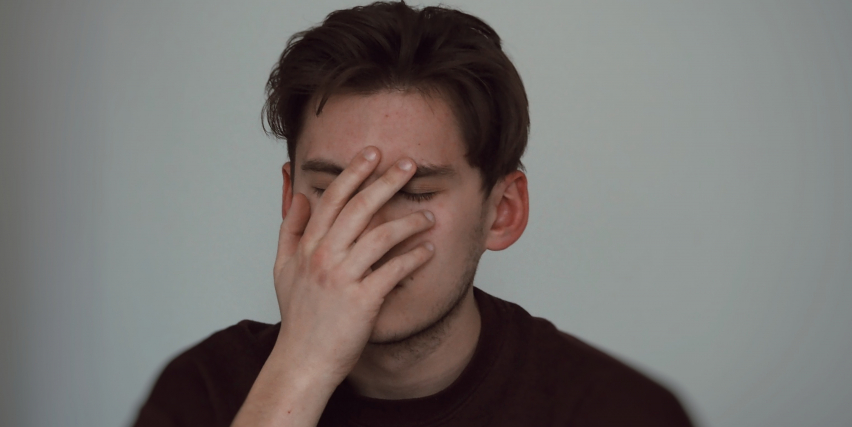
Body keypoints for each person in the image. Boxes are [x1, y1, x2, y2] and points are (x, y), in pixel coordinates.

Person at [133, 2, 693, 426]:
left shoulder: (616, 411)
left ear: (502, 212)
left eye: (416, 191)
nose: (368, 233)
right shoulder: (202, 393)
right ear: (290, 201)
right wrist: (299, 371)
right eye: (333, 189)